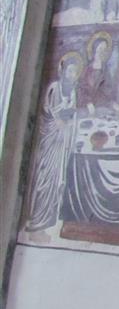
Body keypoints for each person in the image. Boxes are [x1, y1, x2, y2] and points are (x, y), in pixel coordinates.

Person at [24, 51, 82, 242]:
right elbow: (50, 113)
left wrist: (70, 116)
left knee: (57, 182)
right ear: (62, 71)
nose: (72, 75)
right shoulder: (54, 88)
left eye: (75, 72)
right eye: (70, 70)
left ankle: (44, 226)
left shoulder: (72, 91)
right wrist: (62, 118)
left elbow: (71, 115)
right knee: (45, 181)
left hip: (62, 142)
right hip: (50, 141)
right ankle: (35, 225)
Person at [78, 30, 114, 114]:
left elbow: (107, 89)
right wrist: (88, 103)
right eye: (100, 48)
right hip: (86, 106)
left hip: (101, 105)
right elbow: (82, 89)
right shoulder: (87, 69)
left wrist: (107, 102)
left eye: (104, 49)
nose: (102, 52)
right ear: (95, 49)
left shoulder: (105, 69)